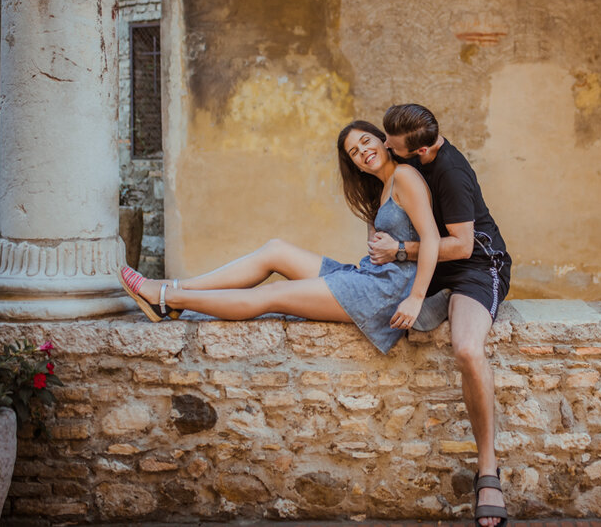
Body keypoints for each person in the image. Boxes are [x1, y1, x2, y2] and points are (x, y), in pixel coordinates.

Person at [118, 120, 440, 355]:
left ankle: (169, 299)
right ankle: (175, 287)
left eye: (367, 142)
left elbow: (433, 240)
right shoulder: (382, 187)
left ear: (382, 140)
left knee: (276, 295)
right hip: (370, 277)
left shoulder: (405, 176)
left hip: (385, 293)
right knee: (276, 250)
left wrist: (415, 298)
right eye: (354, 152)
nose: (363, 152)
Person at [372, 103, 511, 527]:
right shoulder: (409, 161)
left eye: (390, 145)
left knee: (468, 350)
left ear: (423, 152)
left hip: (474, 269)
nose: (382, 147)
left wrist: (398, 251)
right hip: (431, 271)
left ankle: (487, 471)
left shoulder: (448, 171)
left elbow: (462, 245)